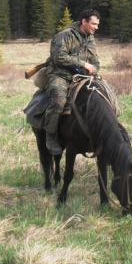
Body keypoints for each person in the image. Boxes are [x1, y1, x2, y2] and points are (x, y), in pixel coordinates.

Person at [44, 9, 101, 155]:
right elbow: (59, 57)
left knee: (104, 96)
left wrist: (95, 69)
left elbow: (94, 60)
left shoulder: (90, 38)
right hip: (61, 74)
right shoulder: (64, 35)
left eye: (97, 24)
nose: (96, 27)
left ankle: (115, 130)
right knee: (58, 101)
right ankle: (50, 136)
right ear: (84, 21)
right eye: (94, 24)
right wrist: (83, 64)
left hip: (82, 76)